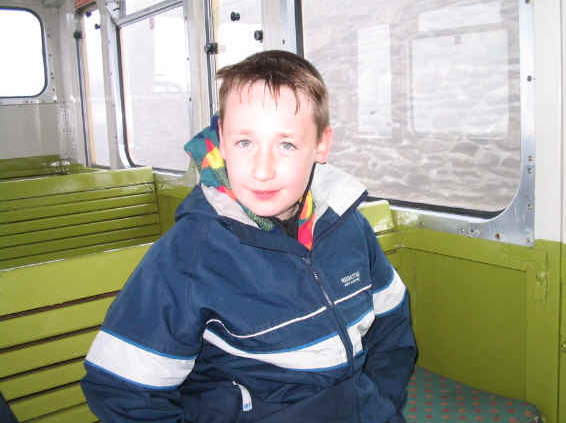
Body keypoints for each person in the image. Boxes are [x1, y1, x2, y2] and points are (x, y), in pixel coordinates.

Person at [81, 50, 416, 422]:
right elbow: (121, 391)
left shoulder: (350, 227)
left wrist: (380, 404)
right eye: (245, 143)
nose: (262, 170)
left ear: (322, 144)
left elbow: (392, 325)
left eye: (286, 144)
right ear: (222, 140)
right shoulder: (189, 256)